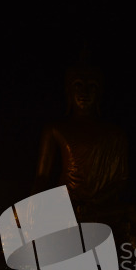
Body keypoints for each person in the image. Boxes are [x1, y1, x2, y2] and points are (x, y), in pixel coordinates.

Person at [33, 60, 128, 223]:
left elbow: (121, 181)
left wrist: (94, 203)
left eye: (91, 86)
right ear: (69, 91)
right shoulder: (55, 129)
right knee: (20, 217)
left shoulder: (114, 134)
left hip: (100, 207)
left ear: (100, 93)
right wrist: (33, 204)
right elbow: (42, 176)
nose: (84, 92)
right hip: (66, 203)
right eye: (78, 85)